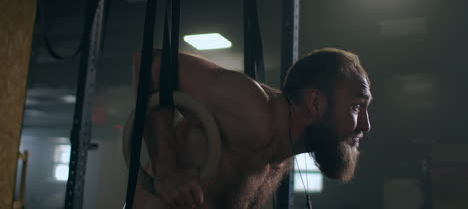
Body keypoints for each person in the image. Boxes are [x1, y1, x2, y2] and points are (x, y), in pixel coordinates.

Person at [131, 47, 372, 209]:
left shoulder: (282, 152)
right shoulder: (253, 112)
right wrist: (167, 169)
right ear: (315, 103)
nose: (366, 125)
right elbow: (148, 64)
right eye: (356, 107)